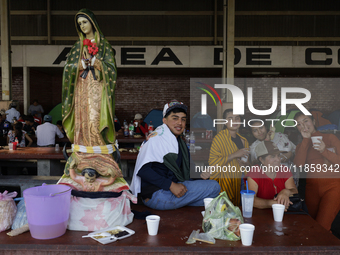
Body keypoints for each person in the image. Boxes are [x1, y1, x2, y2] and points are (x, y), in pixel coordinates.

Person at [60, 9, 123, 186]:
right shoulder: (77, 46)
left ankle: (99, 151)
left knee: (95, 118)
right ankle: (82, 150)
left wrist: (96, 62)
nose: (82, 26)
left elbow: (111, 69)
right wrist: (80, 65)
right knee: (82, 117)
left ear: (93, 23)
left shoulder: (105, 45)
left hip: (98, 88)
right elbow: (68, 69)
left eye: (85, 22)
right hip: (81, 88)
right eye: (79, 24)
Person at [130, 100, 220, 210]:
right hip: (157, 194)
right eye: (175, 118)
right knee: (214, 188)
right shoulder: (156, 139)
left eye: (183, 119)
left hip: (168, 191)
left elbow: (188, 167)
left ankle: (182, 206)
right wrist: (171, 185)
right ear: (164, 120)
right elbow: (143, 170)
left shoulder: (178, 142)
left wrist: (201, 173)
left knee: (211, 200)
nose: (179, 123)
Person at [294, 112, 340, 231]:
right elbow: (299, 164)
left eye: (305, 120)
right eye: (299, 124)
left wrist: (324, 150)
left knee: (322, 226)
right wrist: (305, 140)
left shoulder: (330, 137)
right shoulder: (302, 144)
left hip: (333, 186)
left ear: (313, 122)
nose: (303, 125)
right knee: (313, 224)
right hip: (312, 188)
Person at [208, 109, 249, 206]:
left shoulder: (244, 140)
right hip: (225, 179)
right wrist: (235, 155)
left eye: (237, 118)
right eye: (230, 118)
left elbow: (247, 164)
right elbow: (213, 163)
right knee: (224, 208)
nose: (234, 121)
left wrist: (245, 164)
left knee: (238, 208)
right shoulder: (219, 138)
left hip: (240, 179)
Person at [247, 141, 298, 210]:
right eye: (272, 156)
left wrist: (286, 191)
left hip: (284, 214)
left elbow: (294, 190)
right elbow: (251, 199)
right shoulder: (255, 172)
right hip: (261, 215)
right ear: (261, 159)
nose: (278, 159)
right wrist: (273, 203)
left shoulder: (284, 170)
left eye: (278, 156)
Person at [249, 120, 298, 186]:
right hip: (270, 181)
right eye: (255, 130)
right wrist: (267, 142)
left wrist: (290, 154)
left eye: (261, 128)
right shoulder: (254, 147)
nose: (259, 132)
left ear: (266, 127)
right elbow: (259, 164)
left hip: (290, 176)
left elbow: (296, 152)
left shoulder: (280, 136)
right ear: (252, 133)